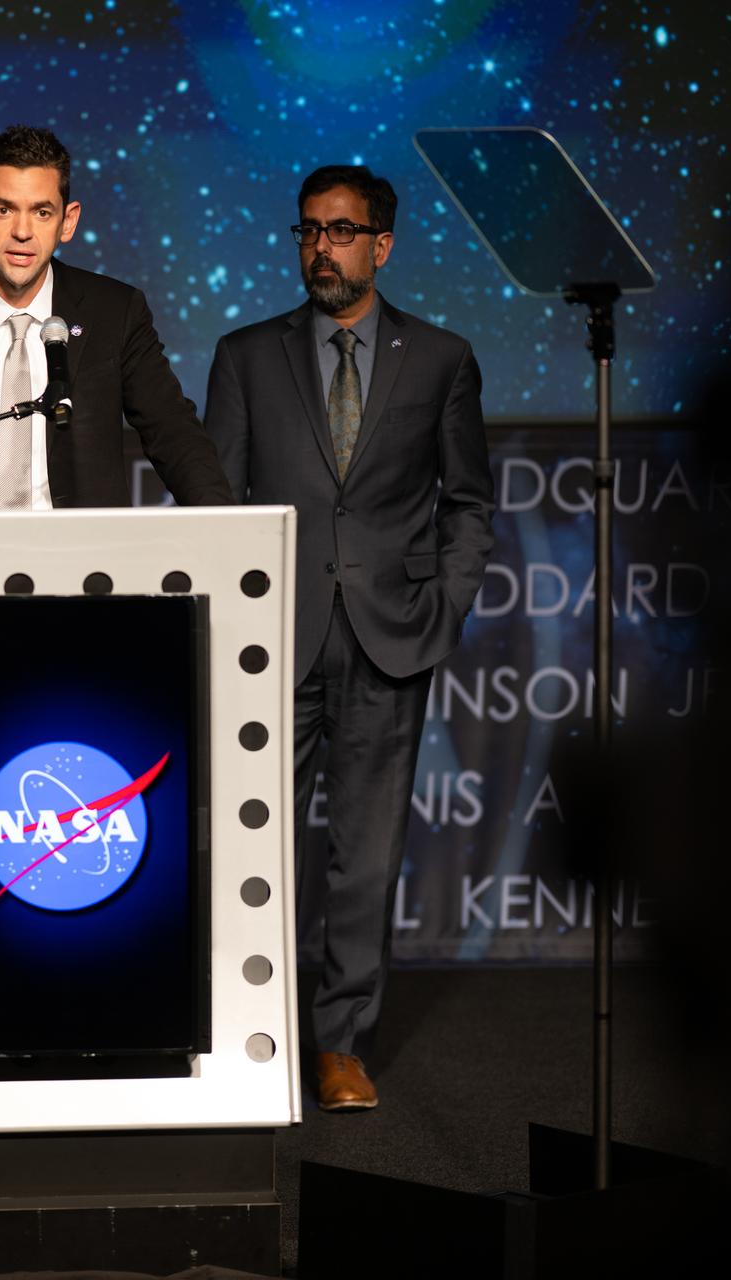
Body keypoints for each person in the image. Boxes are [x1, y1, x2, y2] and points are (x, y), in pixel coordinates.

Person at [205, 165, 494, 1111]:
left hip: (391, 637)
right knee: (260, 849)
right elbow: (215, 508)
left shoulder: (441, 358)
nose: (320, 248)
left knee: (365, 856)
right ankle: (261, 1036)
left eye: (340, 231)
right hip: (270, 639)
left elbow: (468, 503)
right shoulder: (245, 356)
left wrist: (445, 606)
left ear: (382, 244)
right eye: (307, 231)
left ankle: (338, 1045)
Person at [0, 125, 231, 510]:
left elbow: (175, 435)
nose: (22, 231)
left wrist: (228, 532)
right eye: (4, 210)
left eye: (42, 212)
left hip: (80, 559)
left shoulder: (114, 313)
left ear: (67, 222)